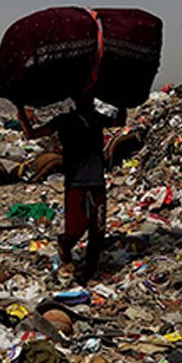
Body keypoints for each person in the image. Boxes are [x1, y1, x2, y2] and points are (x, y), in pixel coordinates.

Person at [17, 95, 126, 282]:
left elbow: (119, 121)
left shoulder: (96, 118)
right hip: (76, 182)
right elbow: (32, 134)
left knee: (98, 230)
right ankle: (64, 246)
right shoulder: (64, 121)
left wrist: (123, 100)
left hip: (97, 181)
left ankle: (90, 273)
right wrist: (21, 111)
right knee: (75, 229)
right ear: (77, 100)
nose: (89, 101)